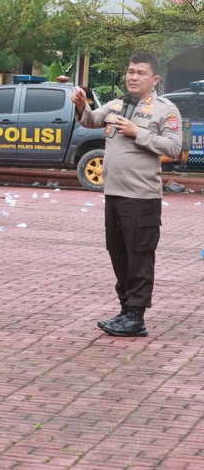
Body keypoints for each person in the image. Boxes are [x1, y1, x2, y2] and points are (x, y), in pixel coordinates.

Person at [71, 52, 182, 337]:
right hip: (114, 194)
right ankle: (125, 309)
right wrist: (82, 105)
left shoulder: (165, 109)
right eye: (131, 71)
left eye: (140, 73)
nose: (133, 77)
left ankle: (136, 317)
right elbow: (91, 120)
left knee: (140, 256)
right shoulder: (117, 104)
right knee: (118, 253)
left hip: (142, 198)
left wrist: (138, 132)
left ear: (155, 79)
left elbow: (173, 147)